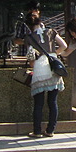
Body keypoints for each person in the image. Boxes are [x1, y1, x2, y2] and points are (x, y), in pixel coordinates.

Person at [25, 10, 67, 138]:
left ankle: (37, 131)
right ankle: (50, 130)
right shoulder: (51, 31)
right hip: (53, 64)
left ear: (28, 25)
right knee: (52, 101)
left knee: (38, 103)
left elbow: (31, 61)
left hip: (40, 67)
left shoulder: (29, 38)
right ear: (40, 21)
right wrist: (55, 53)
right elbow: (64, 45)